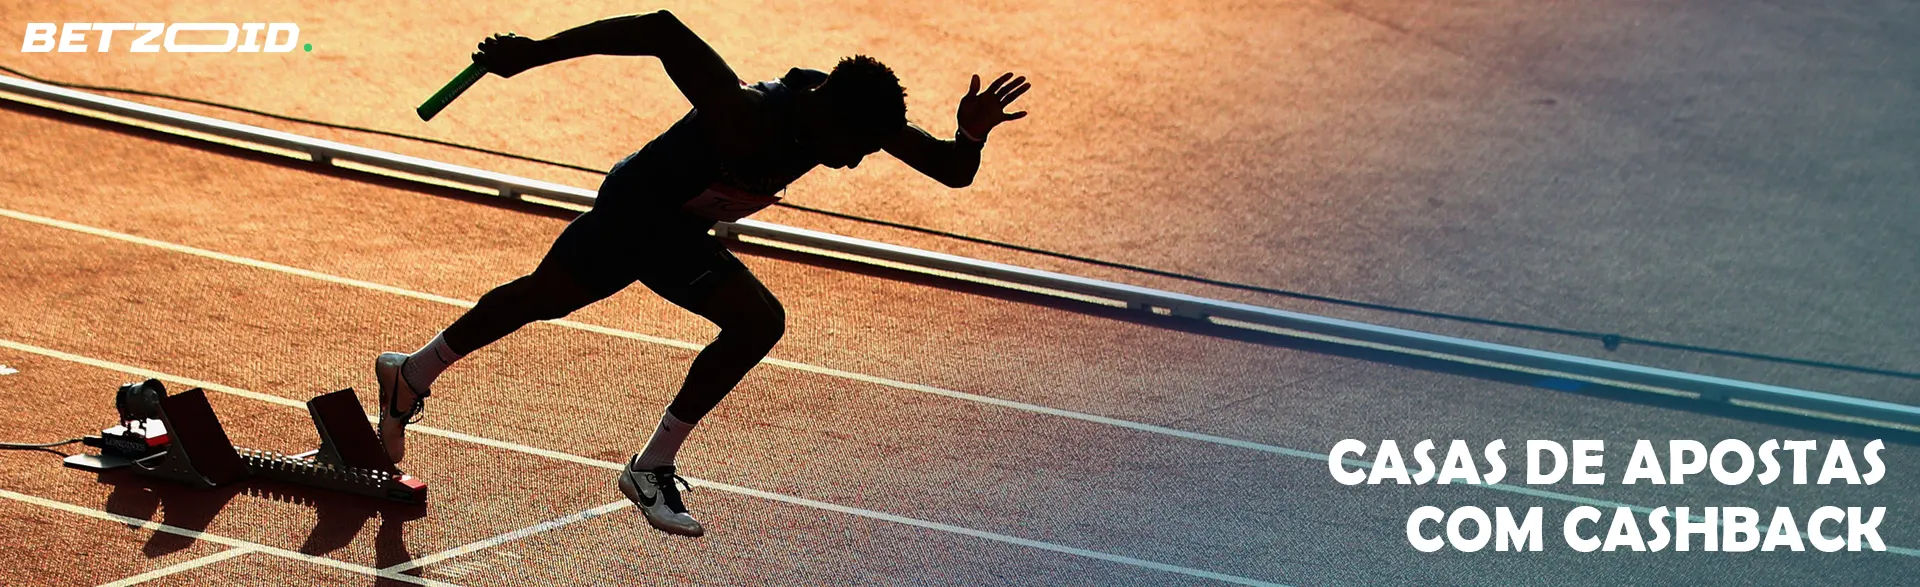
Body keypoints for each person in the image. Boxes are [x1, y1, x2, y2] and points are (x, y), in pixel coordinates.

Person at [374, 10, 1031, 537]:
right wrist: (531, 52)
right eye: (856, 148)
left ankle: (412, 372)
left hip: (678, 229)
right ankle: (646, 464)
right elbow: (658, 28)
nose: (859, 162)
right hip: (639, 210)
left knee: (551, 297)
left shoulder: (854, 115)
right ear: (829, 115)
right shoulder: (745, 113)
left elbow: (951, 169)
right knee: (733, 317)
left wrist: (970, 134)